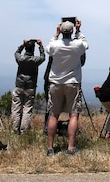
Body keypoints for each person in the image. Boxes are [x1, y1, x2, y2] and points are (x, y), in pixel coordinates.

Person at [46, 19, 87, 156]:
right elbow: (85, 44)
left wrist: (55, 34)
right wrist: (79, 30)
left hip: (56, 83)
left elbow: (48, 48)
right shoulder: (77, 45)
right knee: (73, 115)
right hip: (73, 82)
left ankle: (50, 148)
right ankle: (70, 147)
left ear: (61, 31)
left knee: (53, 115)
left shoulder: (55, 45)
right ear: (72, 31)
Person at [11, 38, 45, 134]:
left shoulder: (20, 59)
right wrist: (41, 46)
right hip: (30, 87)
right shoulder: (36, 60)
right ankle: (24, 131)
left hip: (19, 86)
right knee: (27, 110)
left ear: (26, 49)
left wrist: (22, 45)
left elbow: (16, 53)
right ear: (33, 49)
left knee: (16, 109)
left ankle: (14, 130)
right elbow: (43, 57)